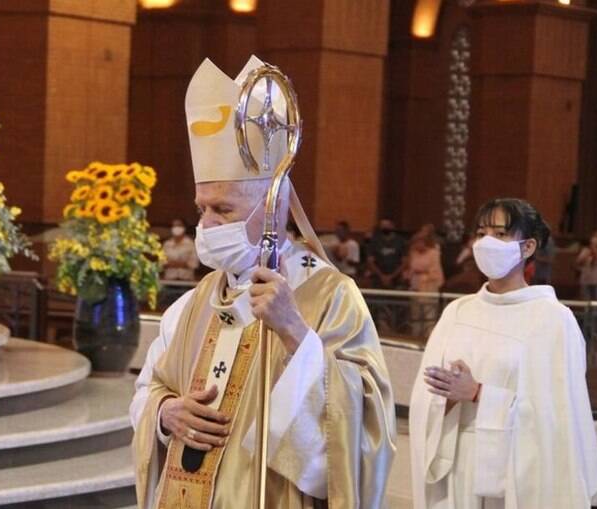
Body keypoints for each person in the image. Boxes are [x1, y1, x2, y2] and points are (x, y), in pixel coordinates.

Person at [130, 55, 395, 509]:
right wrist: (163, 413)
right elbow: (149, 387)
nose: (209, 224)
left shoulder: (330, 297)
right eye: (203, 209)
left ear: (272, 207)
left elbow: (369, 423)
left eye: (225, 210)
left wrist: (295, 332)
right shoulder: (194, 304)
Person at [409, 198, 597, 509]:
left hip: (514, 479)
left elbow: (556, 418)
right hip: (456, 466)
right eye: (482, 232)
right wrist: (445, 396)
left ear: (527, 247)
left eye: (500, 234)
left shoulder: (552, 320)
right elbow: (424, 398)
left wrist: (478, 393)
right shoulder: (458, 312)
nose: (487, 242)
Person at [405, 230, 445, 337]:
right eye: (416, 242)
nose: (417, 245)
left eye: (420, 242)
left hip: (429, 288)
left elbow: (435, 272)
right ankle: (415, 336)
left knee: (429, 317)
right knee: (416, 317)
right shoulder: (413, 252)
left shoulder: (434, 253)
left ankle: (428, 339)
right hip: (415, 287)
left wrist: (421, 272)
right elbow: (410, 268)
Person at [366, 218, 407, 289]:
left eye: (387, 225)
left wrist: (391, 276)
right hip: (378, 279)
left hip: (396, 279)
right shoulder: (374, 241)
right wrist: (382, 276)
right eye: (382, 225)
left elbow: (405, 262)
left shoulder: (400, 241)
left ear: (392, 226)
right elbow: (370, 261)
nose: (384, 227)